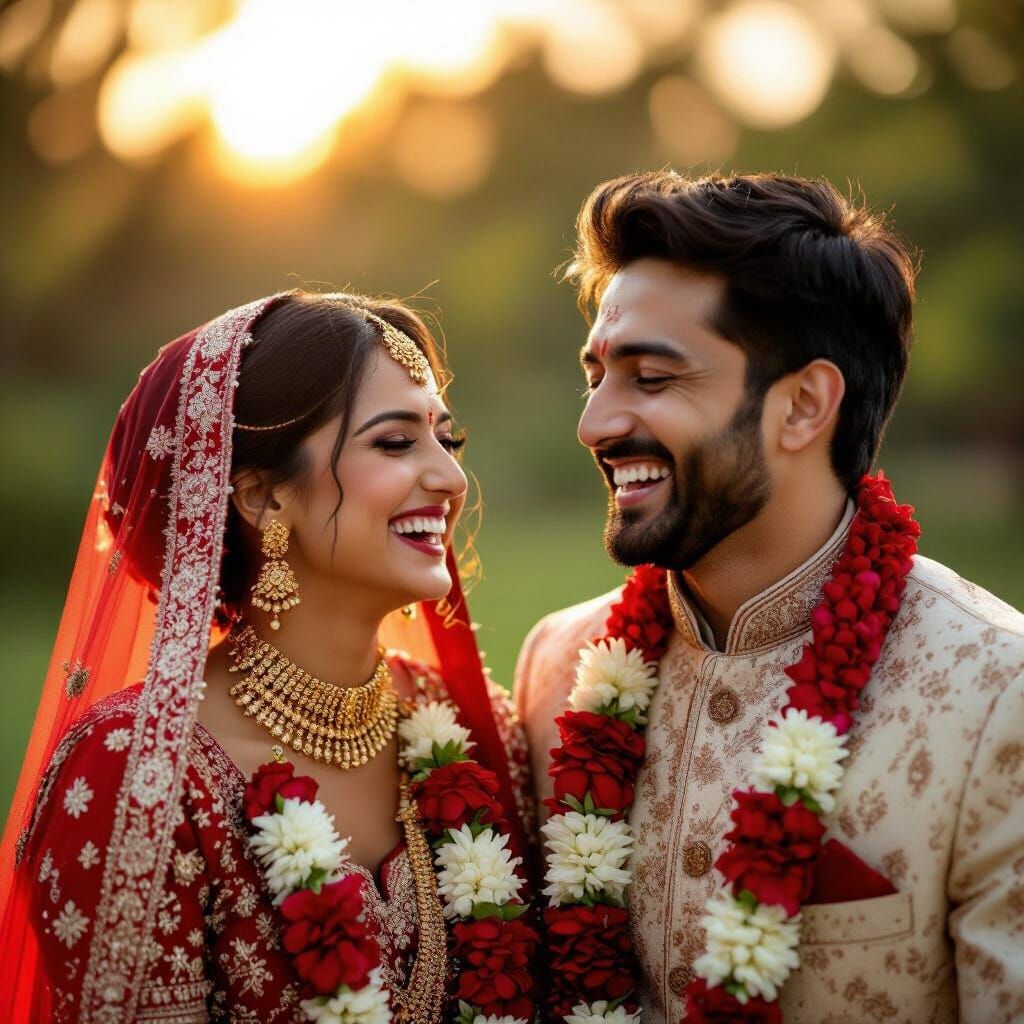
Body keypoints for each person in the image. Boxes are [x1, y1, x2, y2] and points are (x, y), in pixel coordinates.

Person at [514, 172, 1024, 1023]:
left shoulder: (994, 696)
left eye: (651, 378)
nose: (594, 423)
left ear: (803, 406)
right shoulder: (557, 672)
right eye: (596, 373)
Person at [0, 292, 537, 1023]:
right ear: (260, 496)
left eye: (449, 439)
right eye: (395, 442)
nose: (449, 478)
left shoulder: (472, 729)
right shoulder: (138, 775)